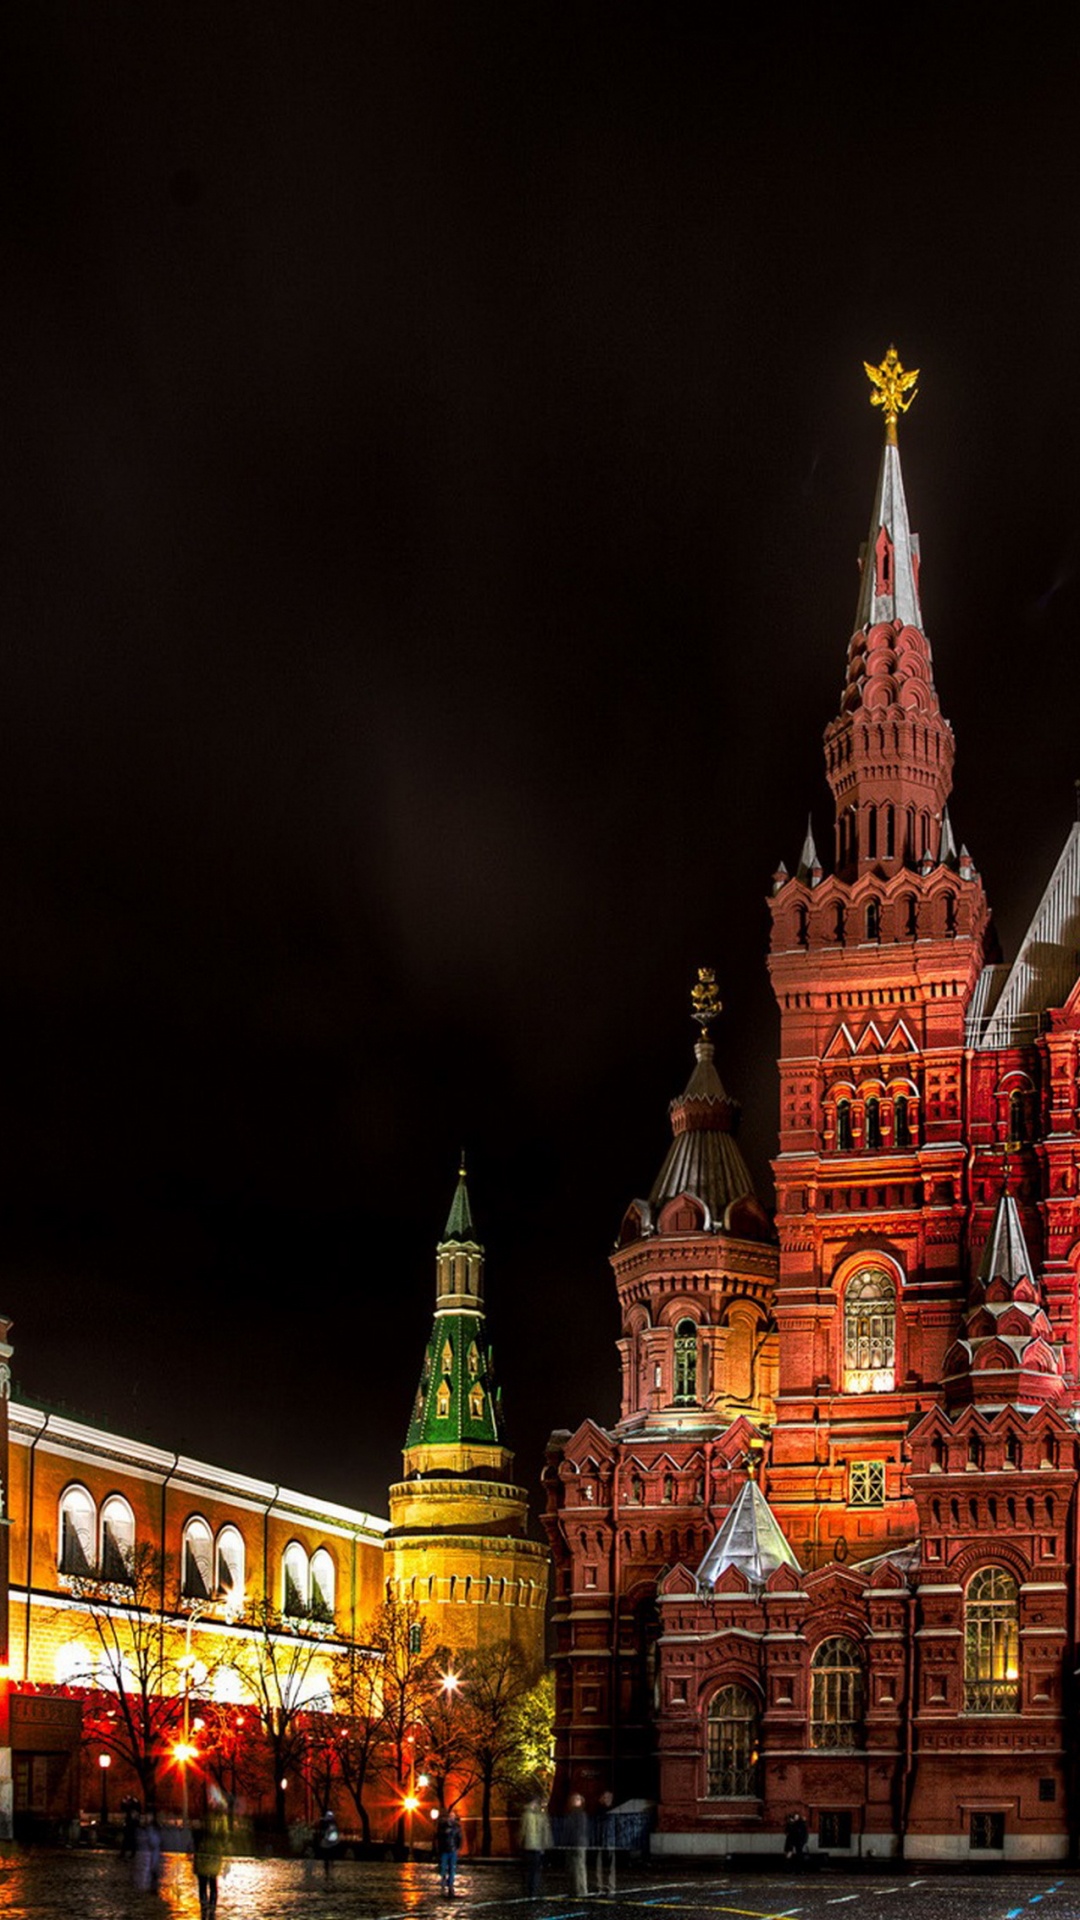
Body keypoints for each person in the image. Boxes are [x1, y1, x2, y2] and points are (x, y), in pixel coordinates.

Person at [192, 1786, 230, 1915]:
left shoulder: (210, 1816)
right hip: (208, 1852)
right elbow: (224, 1836)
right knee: (207, 1882)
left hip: (208, 1852)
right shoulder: (217, 1817)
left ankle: (207, 1907)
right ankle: (208, 1908)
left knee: (208, 1882)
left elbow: (223, 1835)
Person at [519, 1795, 552, 1898]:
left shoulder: (526, 1815)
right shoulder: (542, 1815)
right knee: (535, 1870)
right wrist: (546, 1844)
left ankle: (529, 1890)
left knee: (529, 1869)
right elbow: (545, 1831)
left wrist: (520, 1842)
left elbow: (522, 1831)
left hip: (529, 1846)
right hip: (537, 1847)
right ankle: (533, 1890)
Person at [435, 1803, 463, 1896]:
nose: (451, 1818)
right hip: (444, 1850)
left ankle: (450, 1884)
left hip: (452, 1850)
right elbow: (438, 1838)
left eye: (452, 1816)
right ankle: (444, 1879)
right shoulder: (442, 1826)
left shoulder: (457, 1827)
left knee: (452, 1868)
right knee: (443, 1868)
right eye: (450, 1816)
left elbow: (459, 1838)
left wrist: (458, 1848)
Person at [594, 1790, 617, 1895]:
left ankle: (610, 1886)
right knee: (600, 1865)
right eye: (604, 1797)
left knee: (610, 1866)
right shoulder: (599, 1812)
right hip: (601, 1841)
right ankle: (600, 1886)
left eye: (608, 1798)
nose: (606, 1799)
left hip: (610, 1841)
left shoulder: (613, 1812)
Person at [565, 1793, 588, 1898]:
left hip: (578, 1844)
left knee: (579, 1867)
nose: (575, 1801)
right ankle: (575, 1889)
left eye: (577, 1799)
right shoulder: (572, 1814)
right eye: (574, 1799)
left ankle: (581, 1890)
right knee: (573, 1867)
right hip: (573, 1843)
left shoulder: (580, 1814)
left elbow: (579, 1831)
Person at [314, 1807, 339, 1881]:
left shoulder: (327, 1823)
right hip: (329, 1842)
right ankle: (329, 1869)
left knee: (328, 1857)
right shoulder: (330, 1823)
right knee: (328, 1857)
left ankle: (328, 1869)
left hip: (328, 1842)